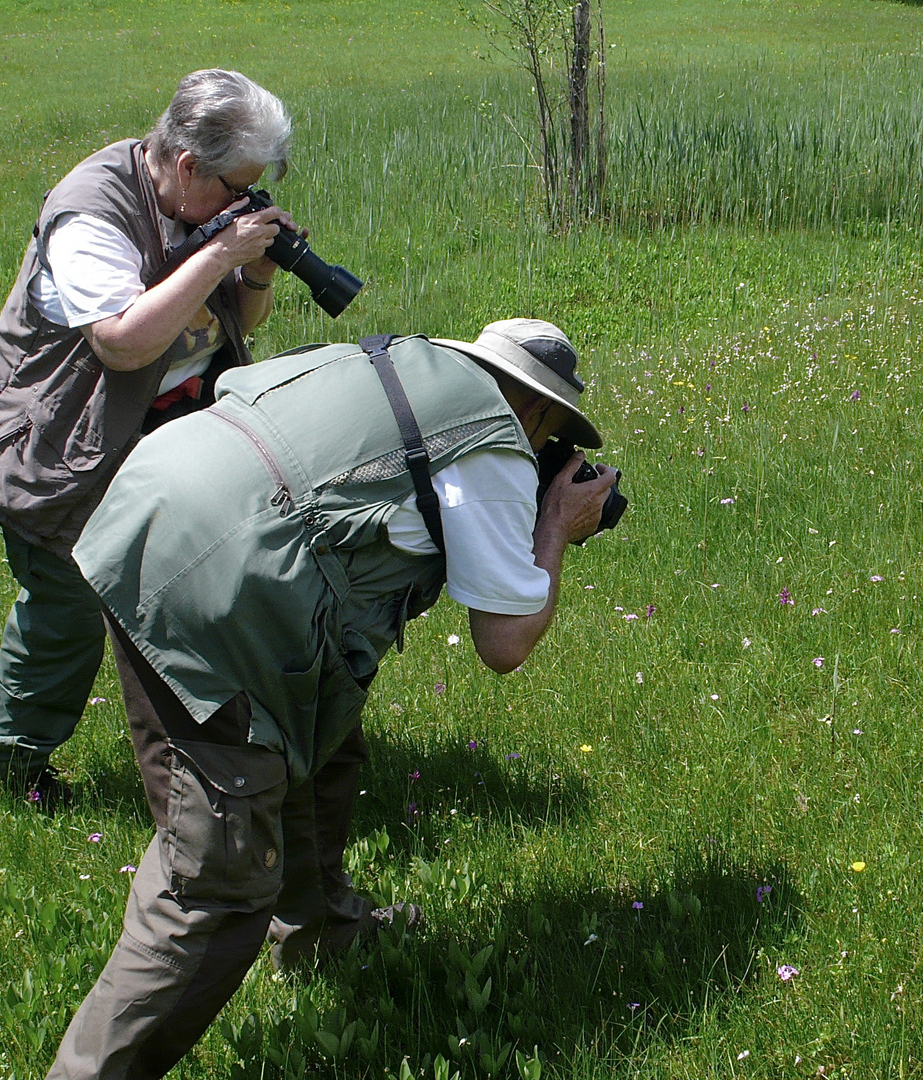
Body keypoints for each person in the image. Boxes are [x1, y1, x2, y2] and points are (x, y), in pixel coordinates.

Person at [44, 319, 618, 1079]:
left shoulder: (391, 366)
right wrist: (554, 525)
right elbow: (504, 642)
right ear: (540, 411)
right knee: (213, 887)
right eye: (552, 437)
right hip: (224, 584)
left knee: (321, 737)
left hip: (152, 502)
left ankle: (321, 931)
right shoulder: (492, 443)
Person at [0, 69, 302, 804]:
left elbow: (235, 326)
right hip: (61, 441)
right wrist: (219, 254)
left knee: (191, 591)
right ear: (188, 165)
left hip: (159, 429)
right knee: (65, 609)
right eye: (234, 187)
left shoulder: (197, 201)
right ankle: (19, 767)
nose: (242, 202)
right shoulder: (91, 213)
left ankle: (205, 746)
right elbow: (122, 344)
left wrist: (252, 272)